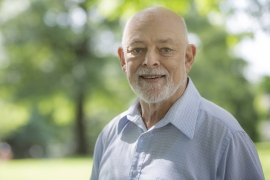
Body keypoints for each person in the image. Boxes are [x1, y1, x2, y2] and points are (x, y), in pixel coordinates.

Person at [90, 6, 264, 180]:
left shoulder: (226, 138)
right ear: (122, 60)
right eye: (137, 50)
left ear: (188, 57)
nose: (150, 62)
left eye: (165, 49)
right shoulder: (109, 135)